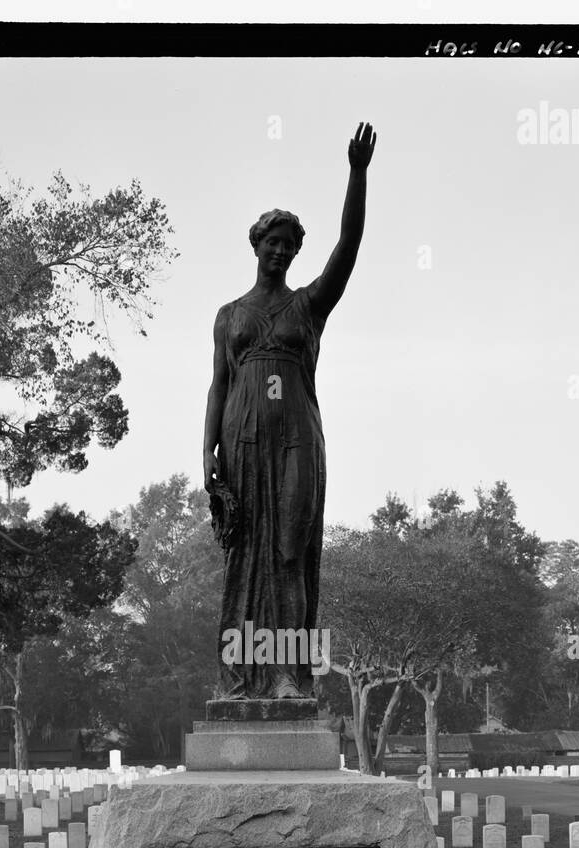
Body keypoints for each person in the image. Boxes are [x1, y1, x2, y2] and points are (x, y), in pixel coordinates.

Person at [203, 121, 377, 698]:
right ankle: (239, 680)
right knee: (244, 557)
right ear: (255, 246)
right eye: (271, 241)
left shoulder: (309, 306)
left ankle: (289, 677)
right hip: (243, 441)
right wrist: (208, 452)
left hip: (298, 441)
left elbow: (347, 250)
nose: (279, 250)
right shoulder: (229, 315)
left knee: (290, 551)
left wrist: (357, 174)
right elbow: (217, 386)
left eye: (289, 244)